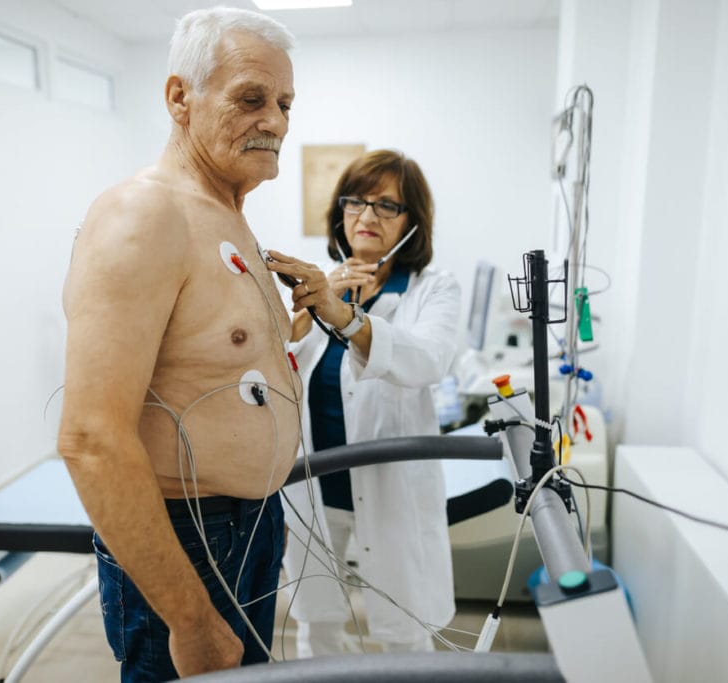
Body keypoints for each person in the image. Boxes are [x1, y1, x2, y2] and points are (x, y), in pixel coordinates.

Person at [57, 8, 302, 681]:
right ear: (179, 98)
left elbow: (218, 361)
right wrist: (190, 620)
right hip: (189, 540)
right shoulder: (145, 214)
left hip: (252, 525)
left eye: (284, 103)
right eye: (252, 99)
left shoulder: (226, 212)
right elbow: (91, 438)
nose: (276, 121)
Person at [265, 149, 462, 656]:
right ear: (339, 213)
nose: (367, 216)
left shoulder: (430, 291)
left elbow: (427, 360)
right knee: (318, 626)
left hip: (389, 488)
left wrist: (347, 317)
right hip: (312, 489)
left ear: (412, 221)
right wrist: (308, 313)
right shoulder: (319, 287)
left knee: (403, 632)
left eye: (387, 206)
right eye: (355, 202)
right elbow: (271, 374)